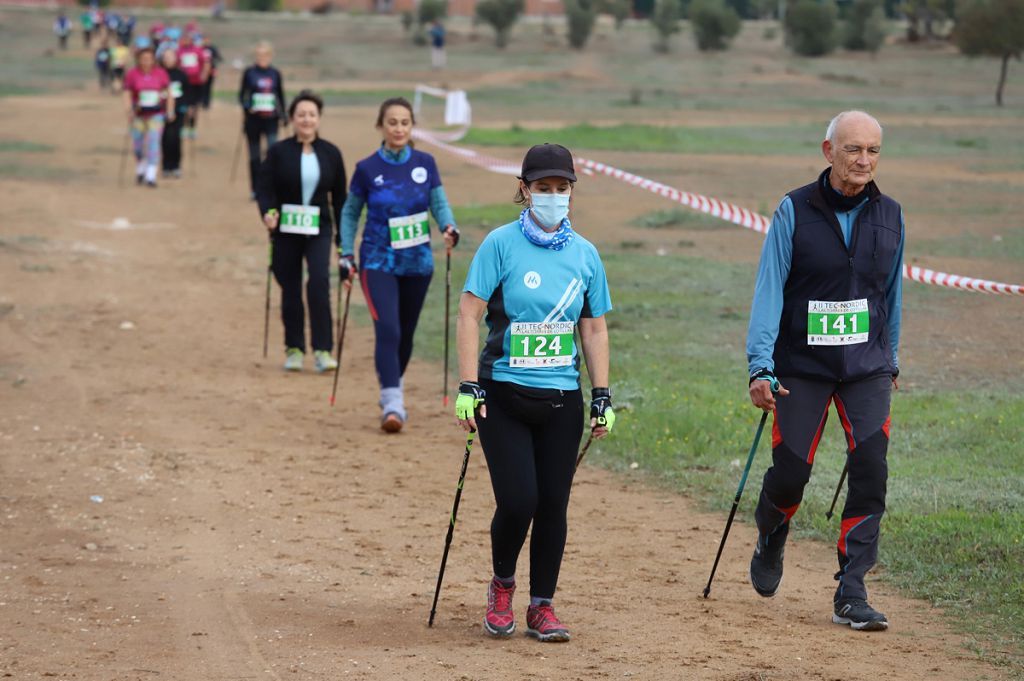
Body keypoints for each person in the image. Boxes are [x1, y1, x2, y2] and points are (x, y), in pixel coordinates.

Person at [745, 110, 904, 631]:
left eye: (873, 151)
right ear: (827, 150)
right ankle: (772, 530)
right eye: (853, 149)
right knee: (791, 475)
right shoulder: (794, 210)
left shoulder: (892, 215)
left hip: (867, 368)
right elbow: (769, 289)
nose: (863, 161)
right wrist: (760, 366)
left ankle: (852, 590)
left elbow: (892, 296)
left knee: (871, 473)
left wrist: (892, 357)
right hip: (802, 366)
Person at [454, 143, 615, 643]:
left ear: (571, 192)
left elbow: (594, 329)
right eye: (542, 188)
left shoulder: (585, 255)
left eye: (561, 189)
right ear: (523, 190)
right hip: (501, 396)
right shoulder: (499, 245)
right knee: (520, 499)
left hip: (562, 399)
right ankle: (502, 585)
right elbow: (468, 314)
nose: (552, 197)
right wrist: (466, 385)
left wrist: (603, 394)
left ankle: (541, 605)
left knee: (553, 506)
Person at [338, 97, 458, 432]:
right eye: (392, 122)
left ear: (412, 126)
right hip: (377, 261)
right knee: (388, 329)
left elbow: (440, 204)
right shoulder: (367, 169)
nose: (399, 128)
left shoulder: (425, 163)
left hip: (417, 262)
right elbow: (350, 213)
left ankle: (394, 386)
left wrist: (449, 227)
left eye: (405, 122)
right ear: (381, 126)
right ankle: (393, 402)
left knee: (405, 335)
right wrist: (346, 252)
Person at [256, 90, 347, 373]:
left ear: (318, 119)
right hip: (286, 228)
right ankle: (293, 348)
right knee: (290, 287)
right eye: (301, 115)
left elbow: (341, 199)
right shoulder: (278, 151)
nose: (306, 120)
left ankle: (323, 350)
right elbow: (265, 189)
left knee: (319, 282)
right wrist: (268, 213)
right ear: (292, 119)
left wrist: (343, 242)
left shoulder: (331, 152)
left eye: (311, 115)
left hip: (319, 227)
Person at [239, 42, 286, 198]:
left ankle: (271, 187)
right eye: (259, 55)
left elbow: (280, 95)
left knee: (272, 153)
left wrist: (284, 115)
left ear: (270, 56)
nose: (262, 58)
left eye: (265, 55)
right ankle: (255, 189)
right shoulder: (249, 73)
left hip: (271, 119)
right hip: (253, 120)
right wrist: (247, 107)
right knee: (254, 156)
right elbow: (242, 95)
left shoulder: (275, 73)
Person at [122, 41, 172, 187]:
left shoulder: (161, 74)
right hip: (138, 114)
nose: (146, 62)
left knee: (153, 142)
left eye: (149, 59)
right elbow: (127, 93)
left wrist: (169, 110)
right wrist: (128, 110)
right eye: (143, 59)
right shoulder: (132, 74)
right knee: (138, 146)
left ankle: (151, 175)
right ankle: (141, 167)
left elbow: (168, 93)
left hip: (156, 114)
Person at [160, 48, 188, 178]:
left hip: (178, 110)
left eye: (170, 57)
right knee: (165, 138)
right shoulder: (159, 74)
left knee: (175, 138)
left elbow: (188, 92)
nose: (168, 60)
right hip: (161, 110)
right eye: (165, 57)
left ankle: (176, 165)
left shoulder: (181, 75)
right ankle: (165, 166)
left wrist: (188, 106)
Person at [177, 31, 210, 140]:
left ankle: (192, 127)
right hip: (183, 83)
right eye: (184, 38)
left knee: (194, 106)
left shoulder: (197, 50)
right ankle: (184, 127)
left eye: (188, 38)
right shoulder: (179, 50)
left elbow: (206, 63)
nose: (186, 41)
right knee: (184, 106)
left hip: (196, 82)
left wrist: (204, 75)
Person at [199, 37, 221, 110]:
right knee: (202, 87)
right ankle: (201, 101)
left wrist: (214, 67)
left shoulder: (213, 49)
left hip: (211, 70)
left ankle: (207, 103)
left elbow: (219, 58)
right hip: (202, 71)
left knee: (208, 87)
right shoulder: (201, 48)